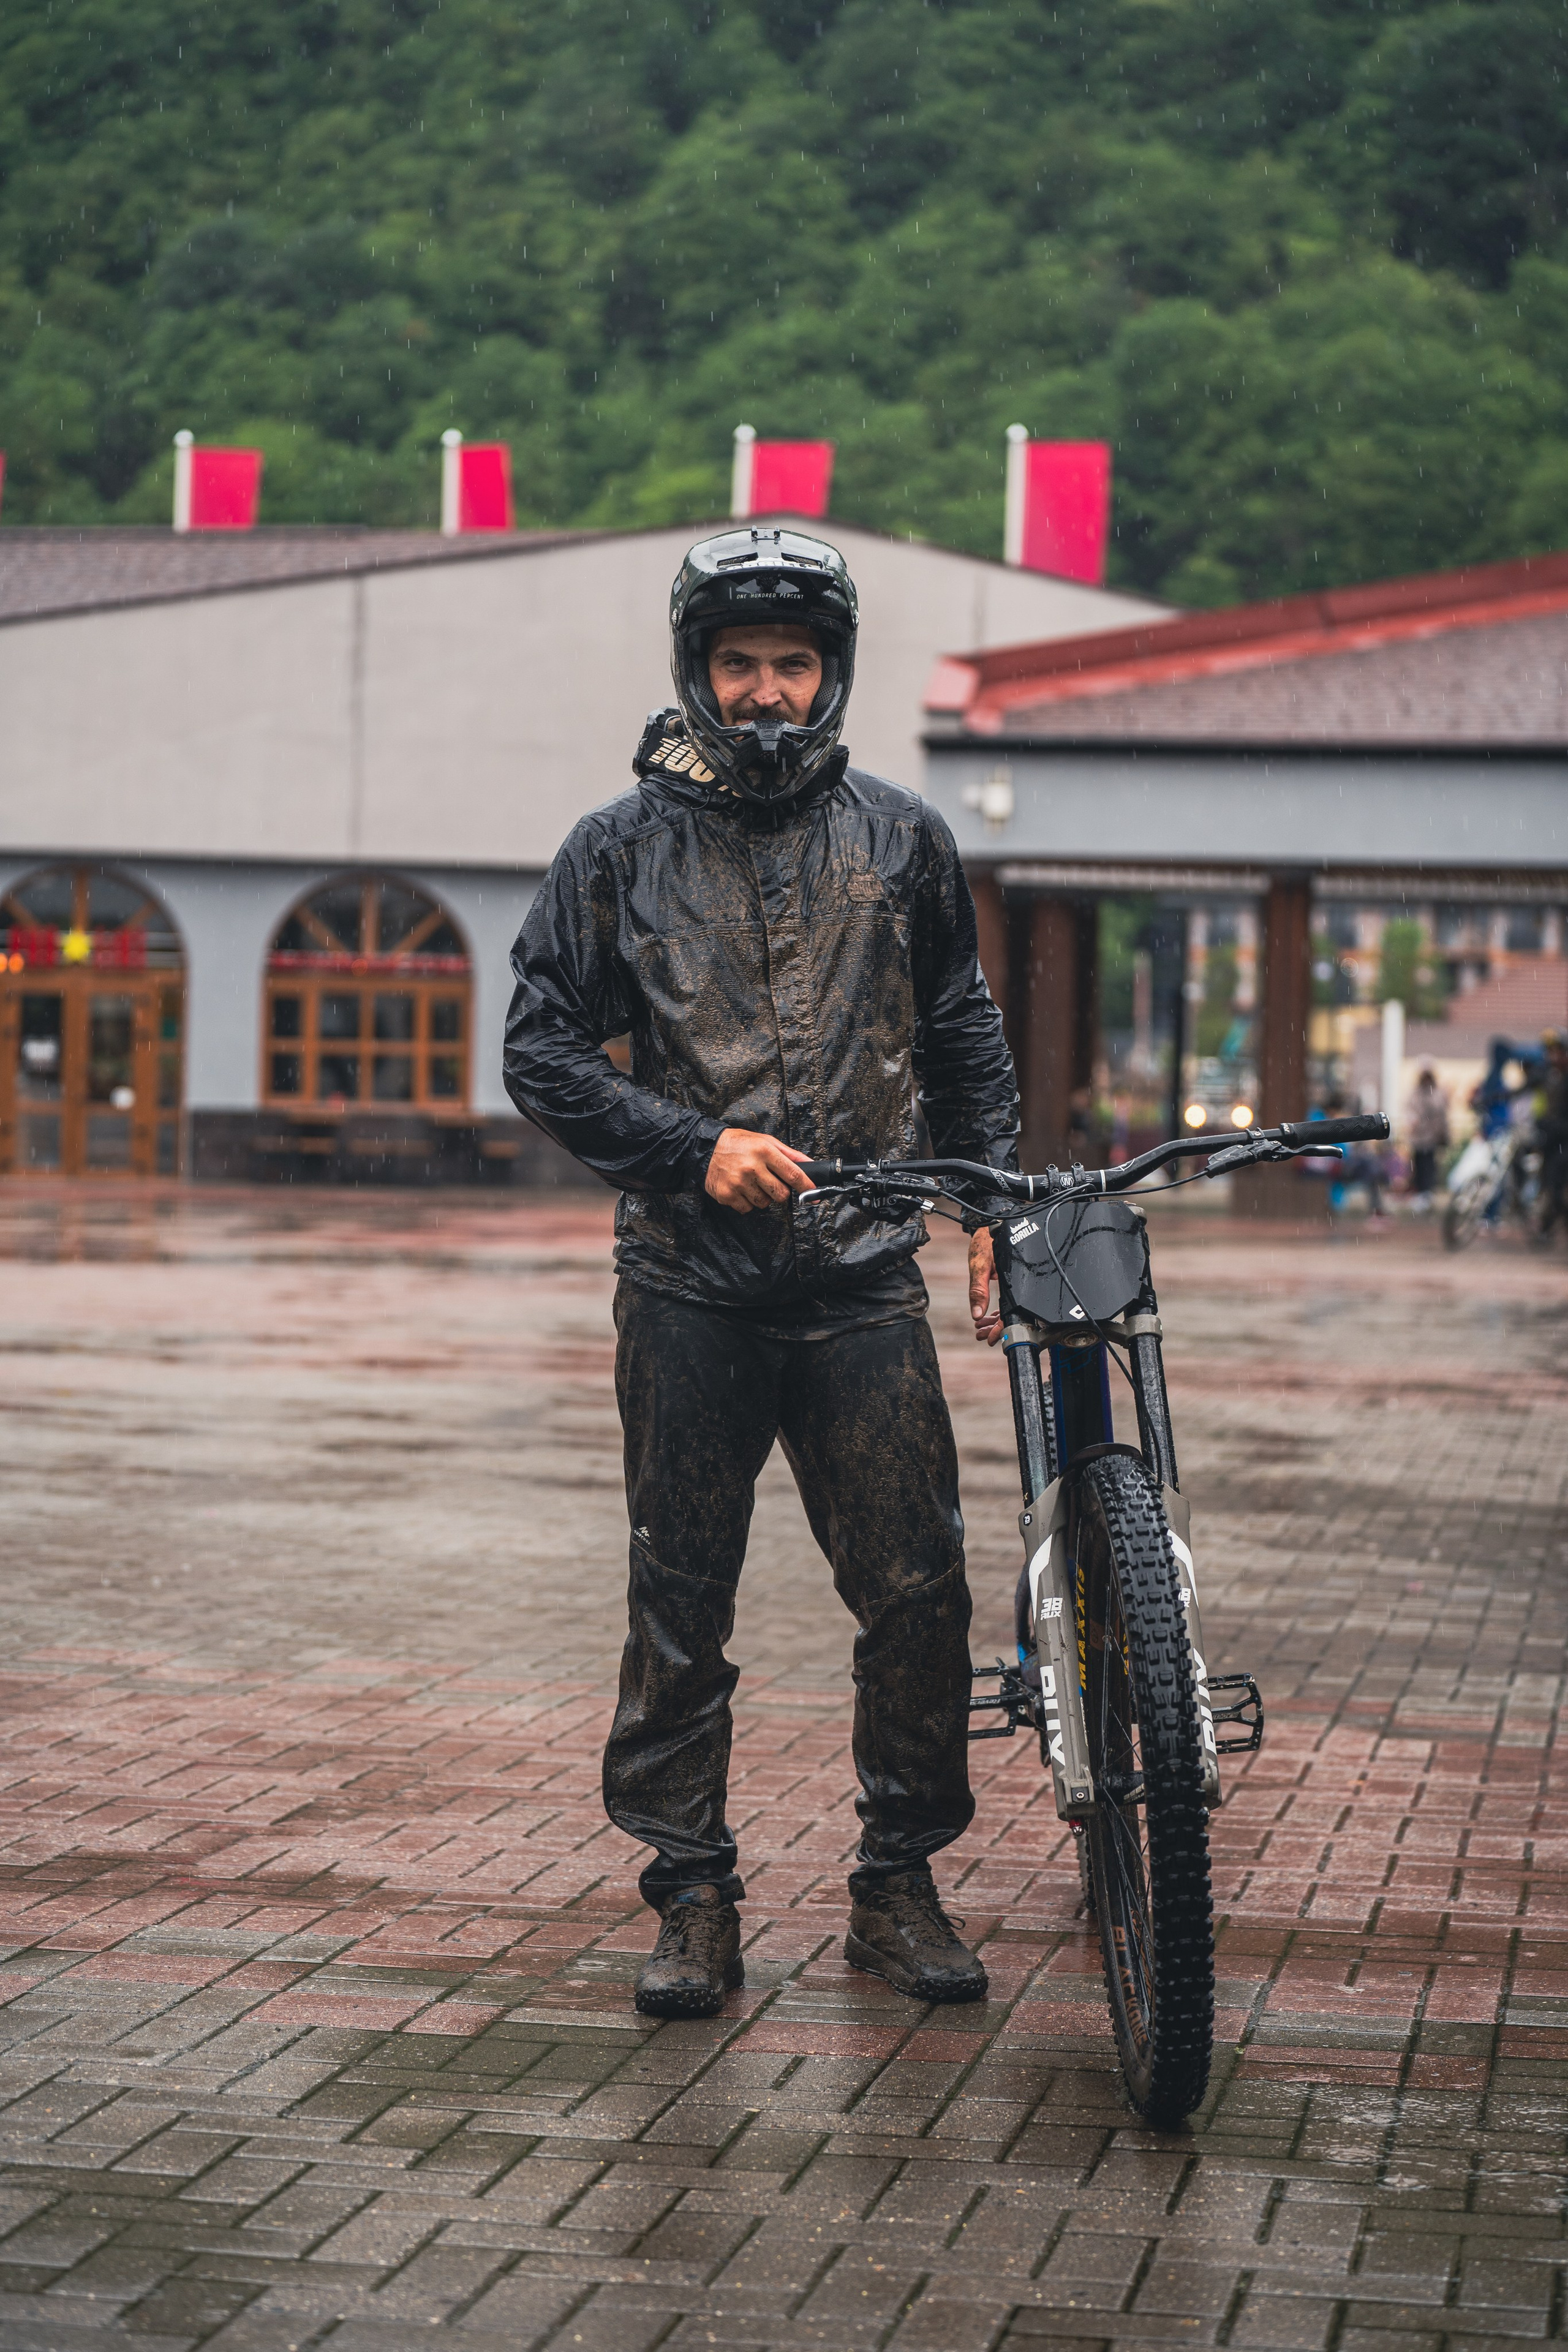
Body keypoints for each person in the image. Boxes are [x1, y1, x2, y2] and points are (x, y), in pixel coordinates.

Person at [504, 529, 1021, 2019]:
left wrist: (982, 1207)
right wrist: (687, 1148)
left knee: (916, 1588)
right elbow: (537, 1048)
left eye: (792, 663)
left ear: (832, 672)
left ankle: (896, 1884)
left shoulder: (904, 838)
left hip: (862, 1278)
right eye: (738, 664)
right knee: (682, 1595)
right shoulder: (615, 850)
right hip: (688, 1284)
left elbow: (963, 1032)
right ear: (697, 671)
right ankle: (692, 1894)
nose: (766, 692)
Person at [1404, 1065, 1450, 1210]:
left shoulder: (1437, 1093)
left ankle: (1428, 1193)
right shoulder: (1416, 1093)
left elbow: (1441, 1113)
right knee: (1418, 1164)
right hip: (1418, 1138)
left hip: (1431, 1138)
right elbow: (1410, 1110)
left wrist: (1443, 1133)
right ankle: (1420, 1192)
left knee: (1429, 1165)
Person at [1537, 1030, 1568, 1242]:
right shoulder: (1547, 1074)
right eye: (1550, 1052)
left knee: (1556, 1187)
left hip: (1564, 1141)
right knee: (1547, 1185)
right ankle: (1546, 1228)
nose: (1553, 1057)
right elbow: (1522, 1089)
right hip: (1550, 1140)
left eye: (1557, 1052)